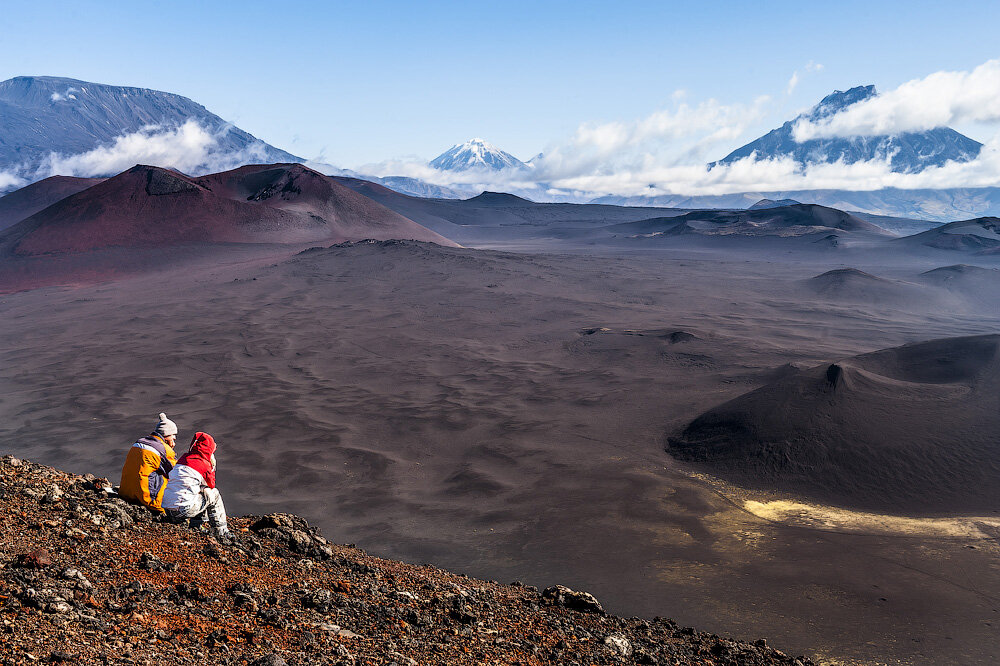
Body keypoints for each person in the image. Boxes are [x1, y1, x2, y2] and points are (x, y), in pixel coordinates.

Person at [161, 431, 233, 540]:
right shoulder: (203, 463)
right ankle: (220, 531)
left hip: (168, 509)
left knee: (198, 490)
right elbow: (211, 484)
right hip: (182, 510)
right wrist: (212, 466)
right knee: (213, 494)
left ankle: (196, 526)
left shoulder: (183, 459)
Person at [119, 412, 178, 513]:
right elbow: (176, 472)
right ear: (166, 436)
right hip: (147, 498)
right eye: (173, 437)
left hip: (125, 493)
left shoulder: (139, 442)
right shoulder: (163, 449)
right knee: (172, 480)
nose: (174, 441)